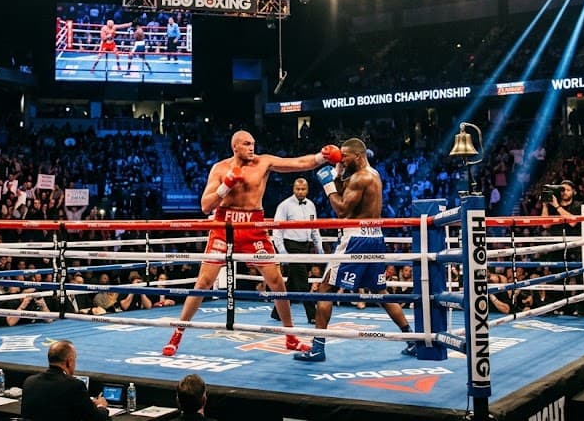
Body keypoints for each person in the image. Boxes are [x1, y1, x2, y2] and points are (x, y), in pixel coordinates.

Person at [162, 131, 340, 356]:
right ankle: (176, 335)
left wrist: (321, 157)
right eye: (246, 144)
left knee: (276, 281)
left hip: (253, 228)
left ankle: (291, 337)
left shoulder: (263, 162)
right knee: (203, 282)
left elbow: (295, 163)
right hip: (224, 227)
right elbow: (205, 206)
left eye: (253, 144)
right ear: (235, 146)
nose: (251, 147)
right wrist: (225, 186)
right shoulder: (219, 168)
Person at [295, 138, 417, 362]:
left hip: (355, 239)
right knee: (380, 293)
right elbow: (348, 195)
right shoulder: (372, 174)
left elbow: (342, 210)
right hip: (375, 238)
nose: (341, 158)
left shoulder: (361, 177)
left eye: (345, 156)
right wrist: (338, 174)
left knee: (325, 289)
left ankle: (318, 348)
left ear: (358, 156)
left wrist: (327, 185)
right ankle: (412, 340)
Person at [271, 178, 324, 324]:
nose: (300, 192)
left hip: (305, 247)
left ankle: (277, 312)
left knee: (293, 283)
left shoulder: (311, 205)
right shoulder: (285, 206)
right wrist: (282, 251)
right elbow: (277, 229)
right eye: (297, 189)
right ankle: (313, 315)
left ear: (307, 189)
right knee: (302, 282)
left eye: (303, 189)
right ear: (293, 189)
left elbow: (314, 229)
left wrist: (320, 249)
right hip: (291, 246)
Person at [21, 340, 109, 421]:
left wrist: (87, 403)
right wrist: (101, 406)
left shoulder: (30, 381)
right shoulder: (74, 385)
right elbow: (97, 418)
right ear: (70, 362)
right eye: (75, 360)